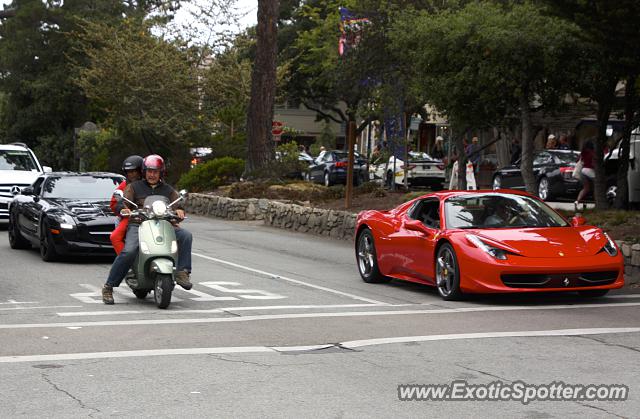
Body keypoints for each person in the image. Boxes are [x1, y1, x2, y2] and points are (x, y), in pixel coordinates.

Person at [102, 154, 193, 305]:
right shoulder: (134, 187)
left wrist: (180, 211)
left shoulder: (167, 190)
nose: (152, 174)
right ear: (144, 171)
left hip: (163, 224)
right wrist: (124, 209)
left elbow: (177, 204)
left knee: (185, 235)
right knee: (129, 250)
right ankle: (109, 286)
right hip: (139, 224)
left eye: (155, 171)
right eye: (149, 171)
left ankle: (183, 272)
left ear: (161, 173)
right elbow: (122, 202)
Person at [110, 155, 144, 255]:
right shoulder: (124, 185)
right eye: (128, 172)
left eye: (134, 171)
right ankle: (125, 263)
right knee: (115, 237)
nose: (131, 174)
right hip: (131, 217)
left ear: (141, 171)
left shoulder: (150, 183)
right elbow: (114, 203)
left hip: (152, 216)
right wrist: (122, 210)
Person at [575, 141, 595, 209]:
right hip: (590, 171)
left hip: (583, 171)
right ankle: (597, 201)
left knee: (586, 188)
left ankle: (577, 201)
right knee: (597, 185)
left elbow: (577, 160)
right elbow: (593, 164)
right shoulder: (592, 153)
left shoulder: (583, 153)